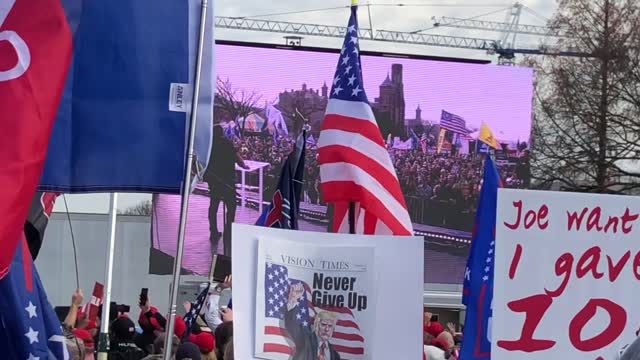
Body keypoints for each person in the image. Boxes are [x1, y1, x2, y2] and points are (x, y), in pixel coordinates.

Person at [204, 125, 249, 257]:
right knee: (231, 207)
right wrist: (244, 165)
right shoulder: (227, 144)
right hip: (228, 181)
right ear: (222, 133)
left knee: (213, 206)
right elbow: (236, 157)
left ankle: (213, 232)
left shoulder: (209, 145)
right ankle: (228, 230)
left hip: (215, 182)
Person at [285, 283, 341, 360]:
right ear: (316, 325)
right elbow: (291, 325)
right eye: (323, 324)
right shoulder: (304, 339)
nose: (327, 329)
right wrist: (293, 299)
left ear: (333, 330)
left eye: (330, 326)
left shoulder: (335, 355)